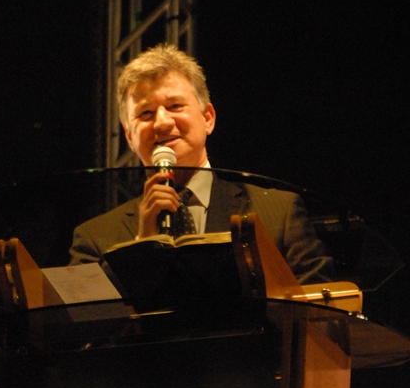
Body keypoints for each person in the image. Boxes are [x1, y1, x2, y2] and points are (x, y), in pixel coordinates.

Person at [70, 44, 332, 284]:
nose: (162, 122)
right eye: (145, 113)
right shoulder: (94, 238)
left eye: (175, 106)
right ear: (129, 136)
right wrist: (142, 246)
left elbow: (320, 309)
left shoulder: (278, 213)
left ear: (208, 118)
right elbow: (84, 316)